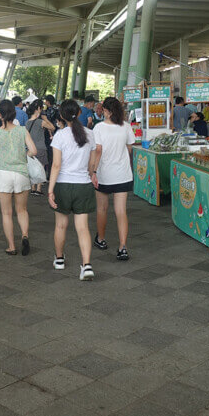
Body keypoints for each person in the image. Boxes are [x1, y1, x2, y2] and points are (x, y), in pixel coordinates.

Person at [0, 100, 37, 256]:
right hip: (21, 174)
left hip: (3, 174)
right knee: (22, 210)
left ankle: (11, 246)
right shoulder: (22, 130)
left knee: (6, 213)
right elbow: (33, 150)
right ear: (13, 112)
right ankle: (24, 235)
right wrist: (24, 155)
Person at [48, 100, 96, 281]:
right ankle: (87, 265)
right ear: (78, 112)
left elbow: (56, 165)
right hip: (83, 185)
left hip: (63, 185)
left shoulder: (60, 135)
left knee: (61, 225)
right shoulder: (90, 134)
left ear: (61, 115)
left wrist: (50, 190)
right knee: (83, 228)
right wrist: (89, 175)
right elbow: (91, 165)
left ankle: (59, 260)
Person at [91, 97, 135, 261]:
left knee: (102, 209)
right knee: (121, 211)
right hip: (123, 174)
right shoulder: (126, 127)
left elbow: (98, 150)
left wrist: (93, 172)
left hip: (104, 175)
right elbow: (129, 148)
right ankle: (123, 247)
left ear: (107, 111)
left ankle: (101, 239)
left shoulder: (99, 128)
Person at [25, 99, 54, 195]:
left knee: (32, 167)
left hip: (30, 149)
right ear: (38, 109)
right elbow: (52, 127)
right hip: (40, 148)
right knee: (40, 168)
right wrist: (45, 118)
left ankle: (32, 187)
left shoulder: (27, 122)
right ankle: (38, 189)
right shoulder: (41, 122)